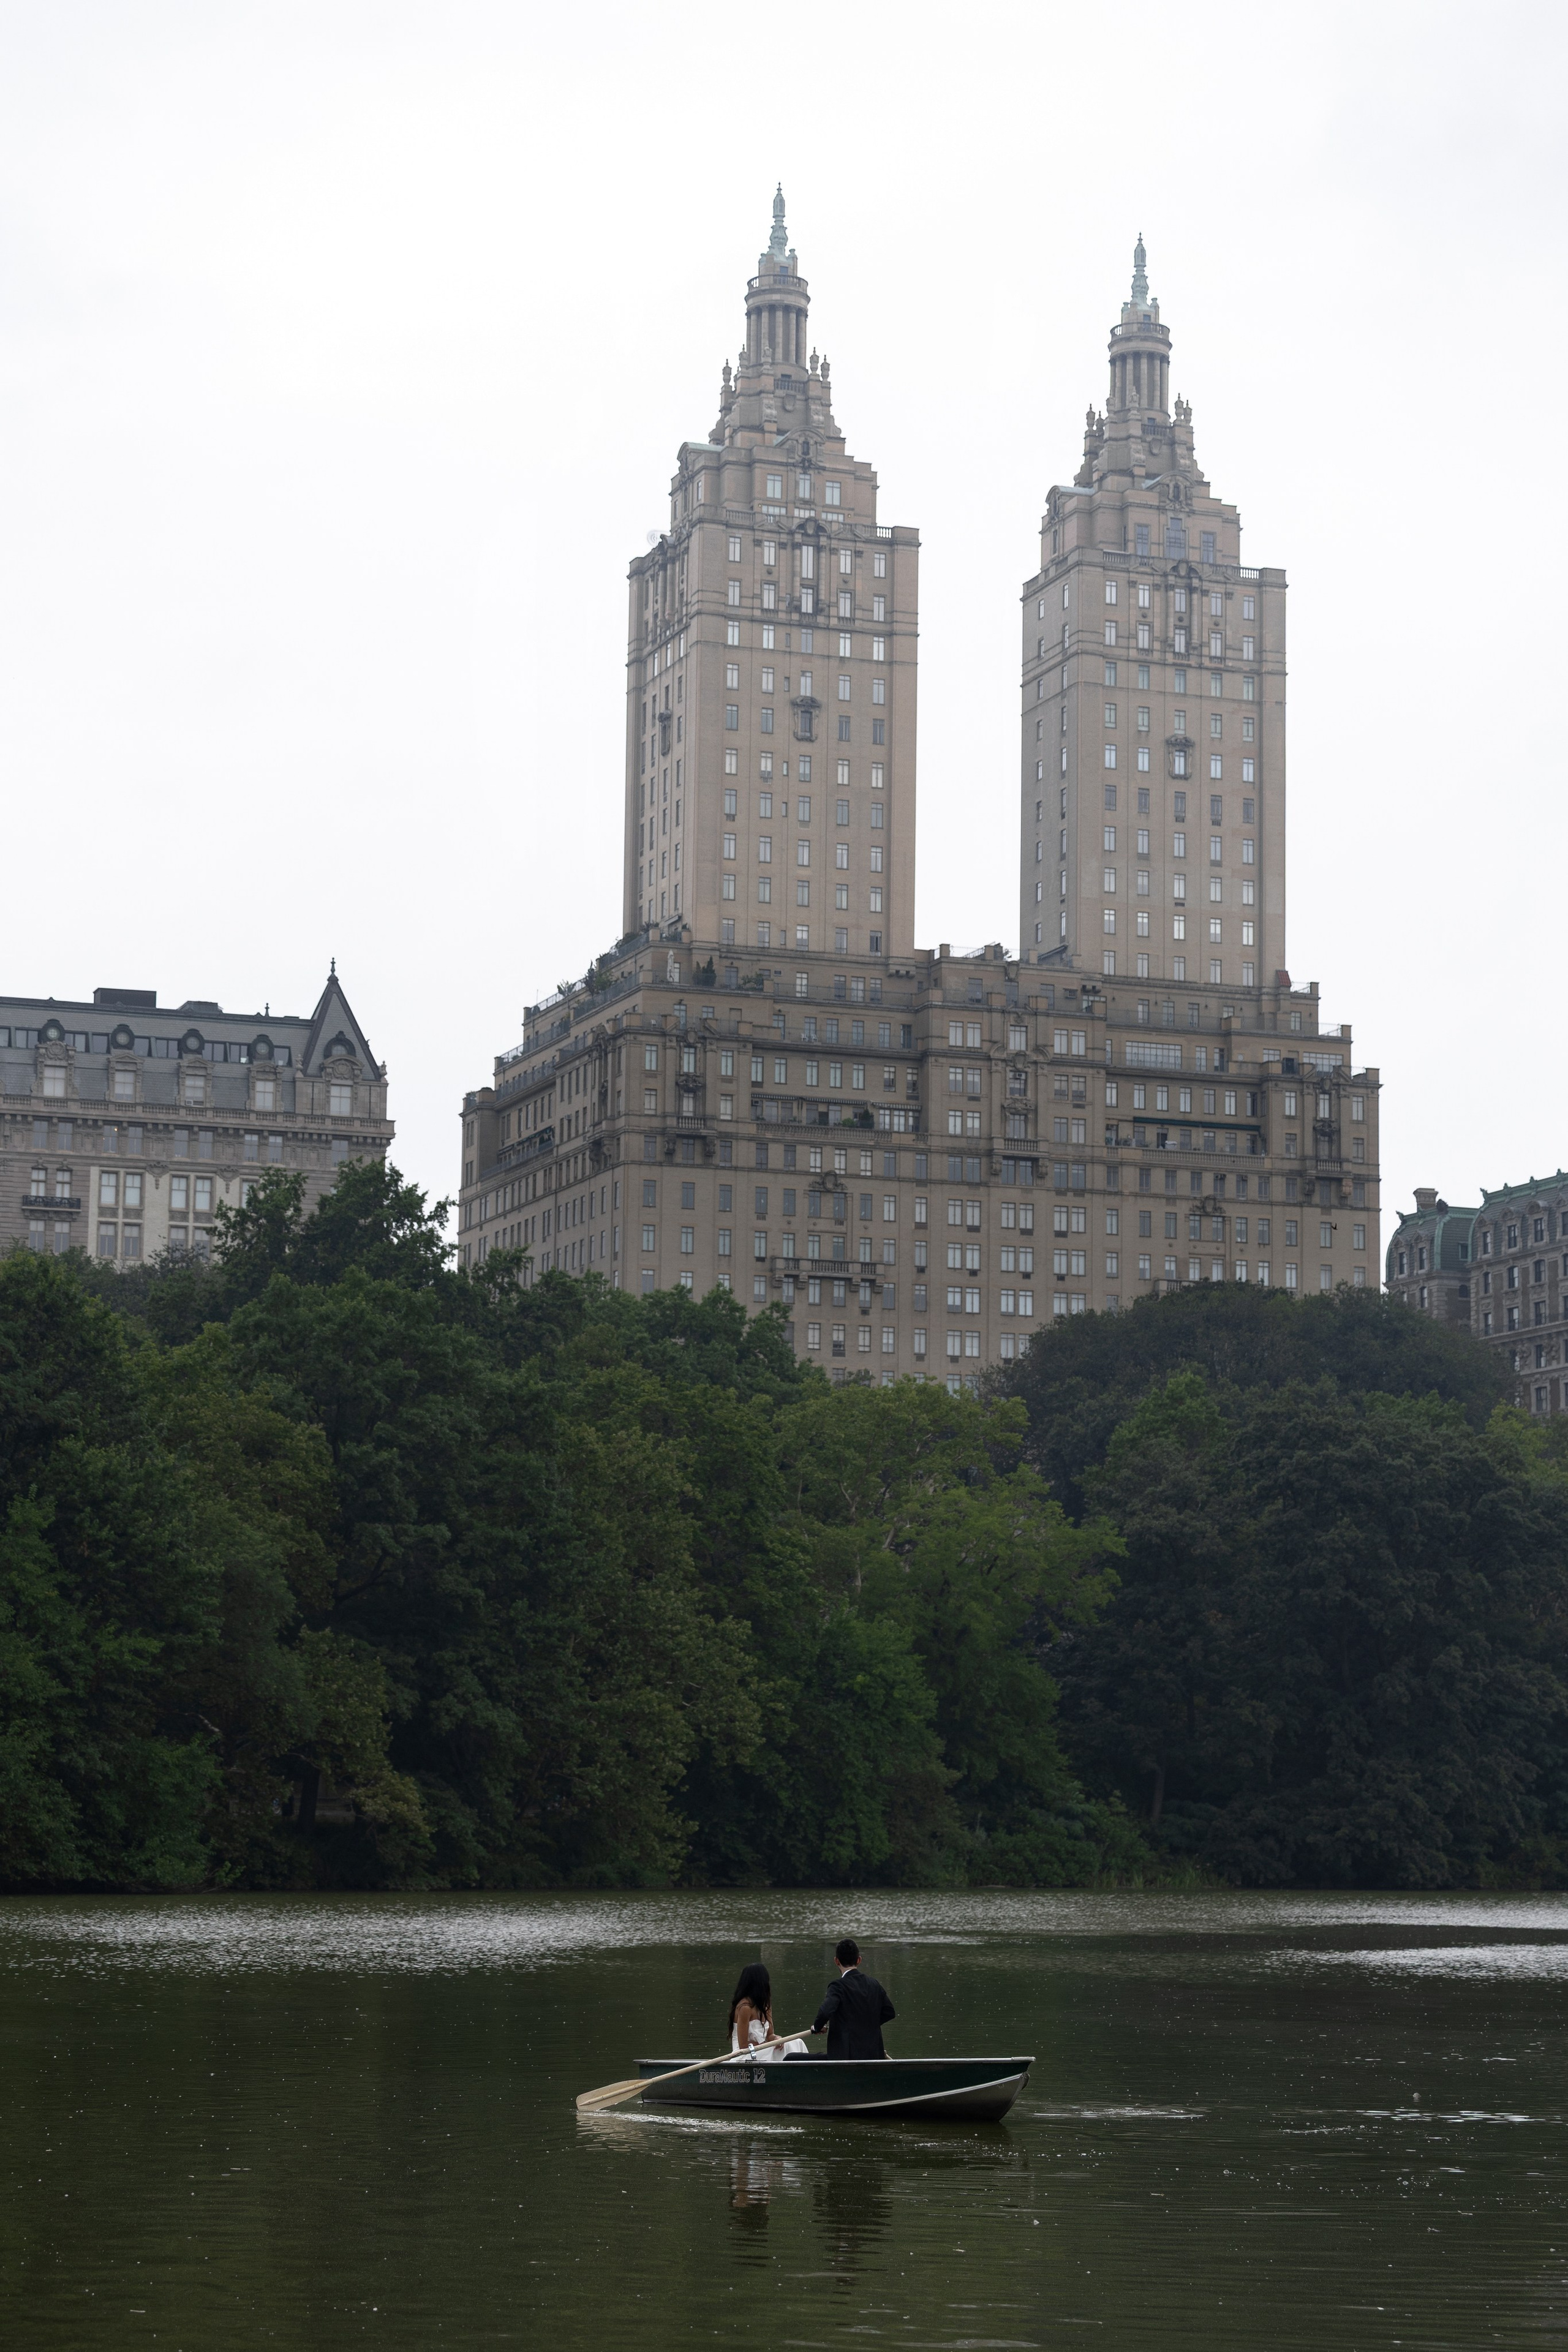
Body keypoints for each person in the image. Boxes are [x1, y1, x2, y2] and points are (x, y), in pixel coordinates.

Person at [810, 1937, 896, 2059]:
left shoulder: (837, 1986)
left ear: (836, 1961)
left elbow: (825, 2012)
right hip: (875, 2057)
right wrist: (865, 2025)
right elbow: (889, 2012)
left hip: (844, 2058)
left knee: (790, 2058)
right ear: (859, 1960)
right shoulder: (874, 1984)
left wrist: (817, 2027)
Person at [726, 1961, 807, 2062]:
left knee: (796, 2042)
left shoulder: (766, 2005)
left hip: (765, 2049)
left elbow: (770, 2036)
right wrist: (768, 2045)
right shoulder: (744, 2008)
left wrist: (777, 2039)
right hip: (745, 2055)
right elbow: (743, 2045)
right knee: (786, 2048)